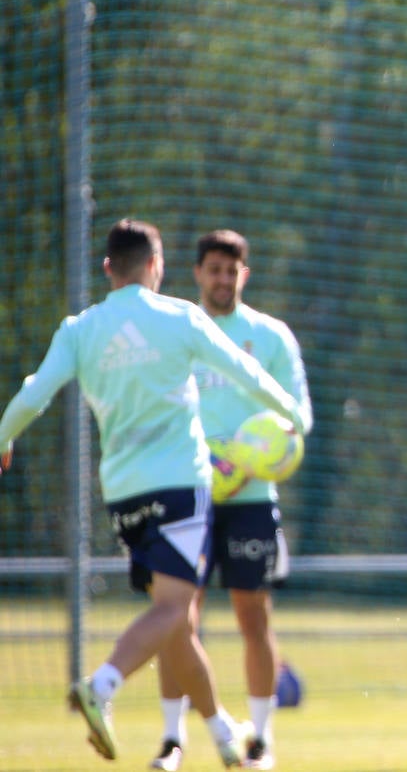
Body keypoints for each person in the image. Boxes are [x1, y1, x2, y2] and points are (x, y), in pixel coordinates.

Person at [0, 219, 306, 766]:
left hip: (122, 495)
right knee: (173, 612)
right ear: (158, 266)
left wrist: (3, 435)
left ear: (107, 268)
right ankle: (104, 684)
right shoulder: (179, 317)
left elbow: (34, 394)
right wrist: (289, 418)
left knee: (176, 624)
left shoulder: (80, 328)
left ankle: (220, 737)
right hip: (182, 489)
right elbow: (244, 373)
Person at [150, 230, 313, 772]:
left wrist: (248, 465)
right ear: (196, 273)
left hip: (251, 498)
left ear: (244, 274)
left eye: (232, 270)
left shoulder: (270, 337)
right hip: (187, 495)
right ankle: (173, 740)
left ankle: (261, 742)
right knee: (176, 617)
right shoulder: (176, 333)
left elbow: (300, 418)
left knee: (253, 617)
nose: (223, 279)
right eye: (213, 269)